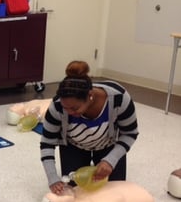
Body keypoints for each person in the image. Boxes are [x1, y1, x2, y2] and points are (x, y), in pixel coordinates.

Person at [40, 61, 139, 195]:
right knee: (76, 191)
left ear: (90, 96)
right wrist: (52, 178)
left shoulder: (119, 98)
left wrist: (111, 160)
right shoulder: (57, 107)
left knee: (114, 192)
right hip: (74, 147)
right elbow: (47, 143)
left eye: (74, 108)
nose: (69, 112)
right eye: (65, 108)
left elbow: (130, 133)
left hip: (108, 146)